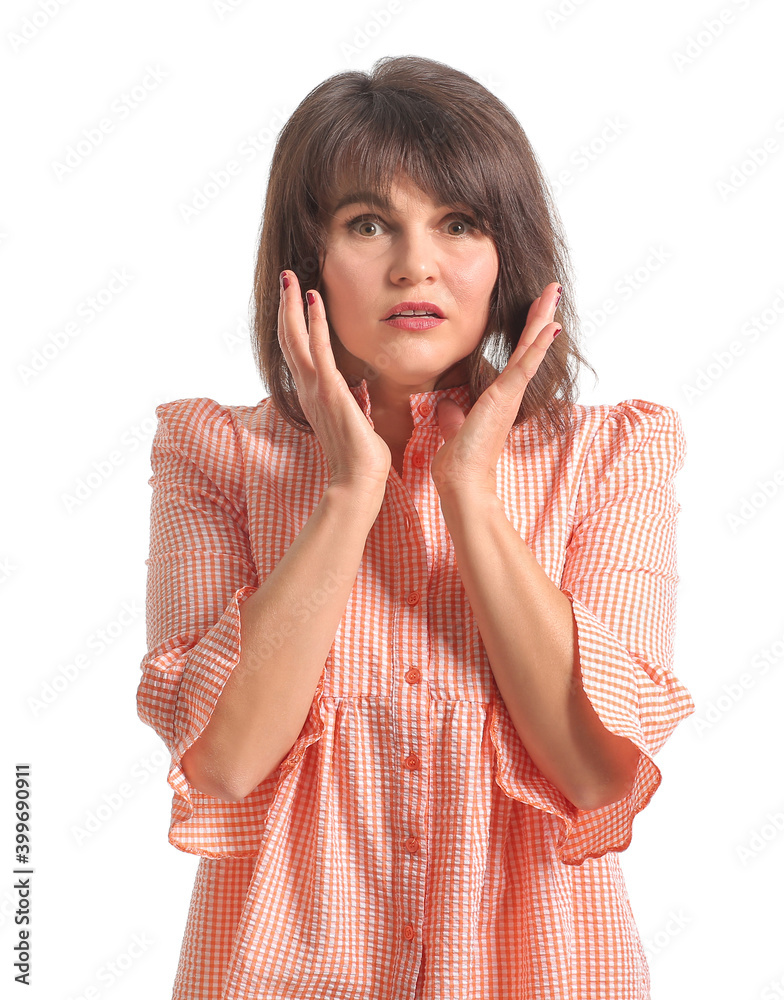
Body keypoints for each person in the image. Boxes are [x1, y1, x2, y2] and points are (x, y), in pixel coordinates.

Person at [137, 55, 694, 1000]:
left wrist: (469, 490)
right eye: (368, 224)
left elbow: (596, 775)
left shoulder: (612, 456)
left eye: (459, 222)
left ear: (507, 256)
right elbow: (225, 765)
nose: (415, 264)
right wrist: (353, 489)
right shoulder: (213, 454)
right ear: (303, 258)